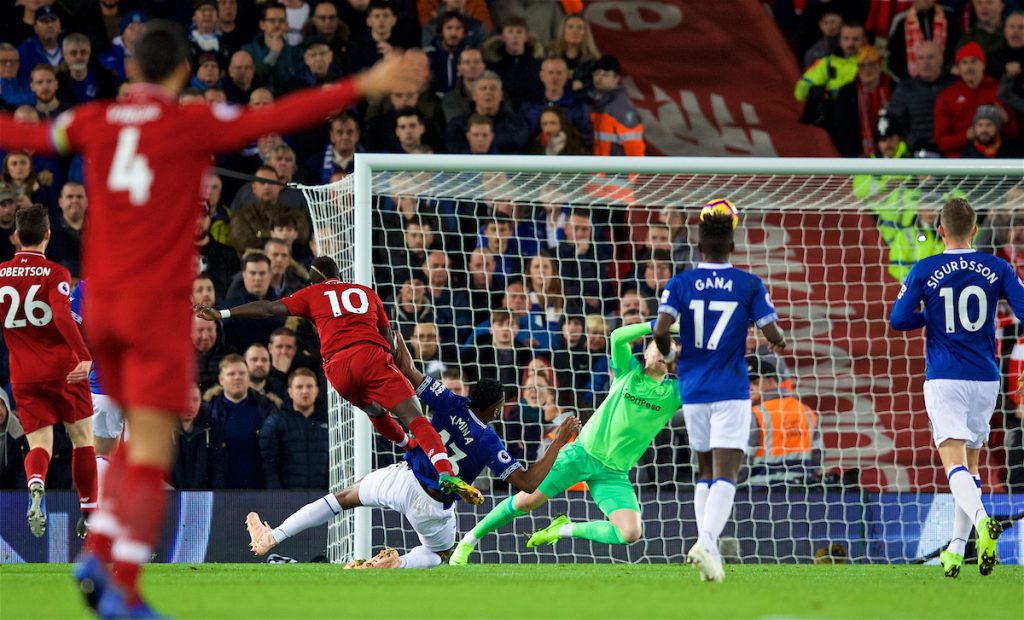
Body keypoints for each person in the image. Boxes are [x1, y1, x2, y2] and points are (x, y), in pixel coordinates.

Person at [0, 20, 425, 616]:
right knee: (148, 444)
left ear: (130, 69)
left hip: (99, 305)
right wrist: (365, 81)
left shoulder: (91, 120)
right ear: (180, 74)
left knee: (120, 440)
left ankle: (105, 560)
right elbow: (281, 115)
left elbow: (29, 134)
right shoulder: (188, 122)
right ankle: (112, 576)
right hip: (152, 305)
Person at [244, 331, 579, 568]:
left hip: (402, 477)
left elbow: (408, 369)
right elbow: (528, 482)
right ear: (494, 410)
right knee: (440, 555)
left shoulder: (450, 401)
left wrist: (395, 338)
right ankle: (399, 564)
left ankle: (275, 535)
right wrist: (559, 441)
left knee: (343, 498)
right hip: (432, 503)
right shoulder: (490, 441)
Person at [196, 255, 482, 505]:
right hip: (370, 357)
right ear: (339, 276)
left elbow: (269, 309)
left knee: (374, 410)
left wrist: (221, 313)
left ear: (314, 279)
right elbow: (388, 337)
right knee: (415, 416)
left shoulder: (310, 294)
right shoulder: (366, 293)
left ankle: (409, 448)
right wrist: (394, 368)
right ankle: (444, 471)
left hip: (337, 370)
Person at [450, 321, 679, 565]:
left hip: (614, 473)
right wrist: (657, 325)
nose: (664, 353)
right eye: (659, 346)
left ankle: (562, 529)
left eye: (670, 350)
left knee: (630, 534)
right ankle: (468, 541)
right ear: (646, 353)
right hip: (581, 454)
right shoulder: (628, 371)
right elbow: (617, 336)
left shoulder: (676, 392)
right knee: (527, 501)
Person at [653, 202, 786, 583]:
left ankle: (706, 549)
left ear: (697, 243)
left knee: (704, 470)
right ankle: (707, 542)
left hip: (693, 388)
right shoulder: (748, 284)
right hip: (730, 388)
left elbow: (661, 331)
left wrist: (672, 355)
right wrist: (780, 340)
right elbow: (772, 333)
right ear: (732, 245)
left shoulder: (680, 283)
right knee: (728, 471)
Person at [890, 197, 1023, 578]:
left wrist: (930, 315)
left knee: (953, 463)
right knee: (972, 466)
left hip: (946, 376)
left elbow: (898, 319)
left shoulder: (925, 268)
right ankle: (956, 549)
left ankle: (984, 521)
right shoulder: (997, 266)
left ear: (941, 230)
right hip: (986, 377)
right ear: (975, 230)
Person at [0, 205, 97, 540]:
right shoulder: (55, 273)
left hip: (22, 374)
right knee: (83, 440)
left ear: (16, 236)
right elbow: (61, 315)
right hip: (62, 369)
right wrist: (83, 355)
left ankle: (36, 482)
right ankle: (88, 513)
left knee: (39, 442)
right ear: (47, 235)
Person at [69, 279, 124, 510]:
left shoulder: (88, 286)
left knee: (102, 453)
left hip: (104, 384)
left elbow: (68, 324)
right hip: (141, 385)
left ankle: (95, 516)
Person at [746, 356, 821, 487]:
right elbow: (818, 453)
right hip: (801, 489)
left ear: (771, 381)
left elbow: (745, 457)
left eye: (755, 381)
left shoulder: (756, 414)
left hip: (760, 491)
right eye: (746, 382)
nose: (750, 387)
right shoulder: (806, 411)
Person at [259, 368, 328, 489]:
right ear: (290, 392)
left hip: (322, 496)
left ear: (317, 390)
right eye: (299, 387)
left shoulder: (328, 422)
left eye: (309, 386)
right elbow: (268, 464)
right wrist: (276, 495)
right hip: (287, 497)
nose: (305, 391)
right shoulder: (275, 422)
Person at [589, 55, 644, 156]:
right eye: (596, 73)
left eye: (606, 74)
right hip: (604, 170)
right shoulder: (597, 104)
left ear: (616, 78)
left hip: (617, 171)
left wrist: (631, 172)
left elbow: (634, 149)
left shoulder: (621, 107)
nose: (599, 78)